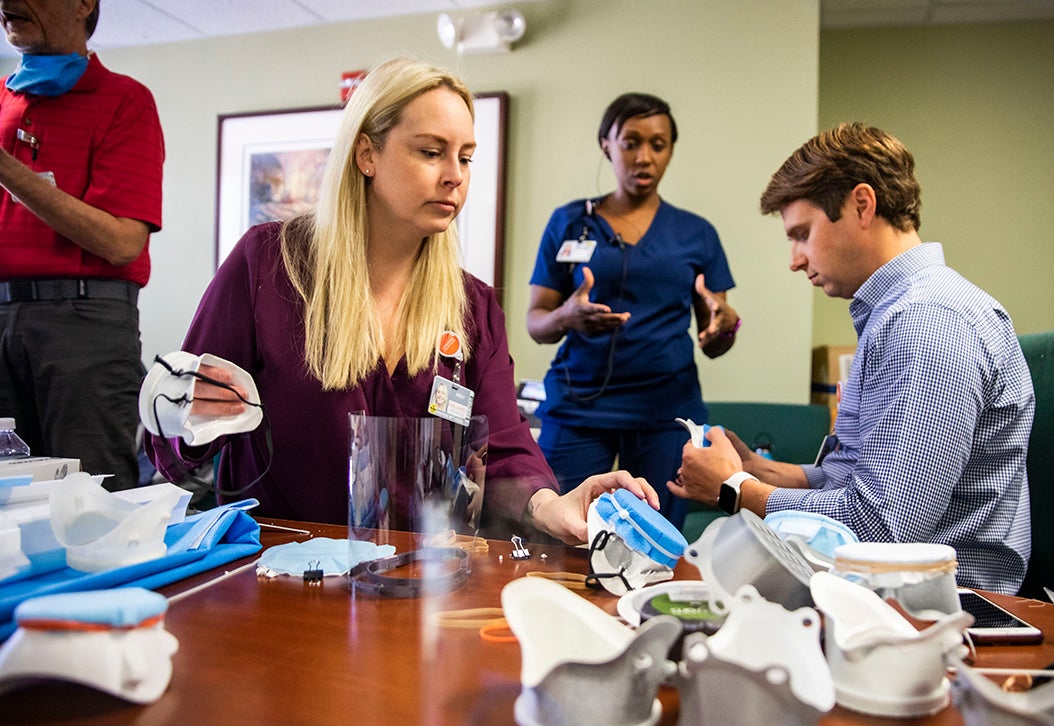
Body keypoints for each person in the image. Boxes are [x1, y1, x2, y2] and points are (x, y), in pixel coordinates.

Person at [143, 57, 656, 544]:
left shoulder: (471, 307)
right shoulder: (270, 266)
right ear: (367, 154)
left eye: (466, 157)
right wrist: (184, 414)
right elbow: (173, 442)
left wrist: (552, 504)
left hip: (413, 580)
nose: (455, 175)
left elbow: (502, 448)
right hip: (281, 573)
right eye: (431, 152)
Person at [670, 123, 1035, 594]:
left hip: (937, 606)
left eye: (802, 233)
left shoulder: (927, 322)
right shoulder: (898, 314)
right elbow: (860, 479)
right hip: (890, 586)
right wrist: (761, 472)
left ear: (862, 205)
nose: (795, 260)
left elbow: (883, 527)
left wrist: (735, 489)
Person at [526, 92, 739, 532]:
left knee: (655, 537)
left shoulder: (696, 234)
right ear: (607, 144)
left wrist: (725, 326)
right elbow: (536, 322)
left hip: (666, 413)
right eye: (631, 142)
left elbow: (714, 338)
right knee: (565, 533)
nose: (644, 157)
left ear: (670, 151)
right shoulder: (569, 222)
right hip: (578, 410)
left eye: (658, 145)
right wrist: (567, 316)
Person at [0, 0, 164, 490]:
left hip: (84, 327)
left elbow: (120, 242)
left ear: (83, 4)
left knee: (94, 502)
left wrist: (8, 171)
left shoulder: (124, 101)